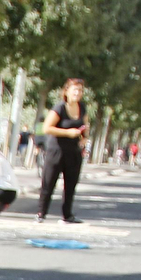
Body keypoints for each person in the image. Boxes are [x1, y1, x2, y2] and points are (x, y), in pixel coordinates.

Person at [37, 78, 88, 223]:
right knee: (48, 182)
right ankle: (41, 213)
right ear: (66, 91)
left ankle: (67, 215)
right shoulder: (59, 107)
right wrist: (67, 133)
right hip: (56, 151)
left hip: (74, 151)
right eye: (75, 90)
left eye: (80, 90)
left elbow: (85, 125)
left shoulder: (82, 108)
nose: (77, 93)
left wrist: (84, 137)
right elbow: (47, 128)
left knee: (71, 184)